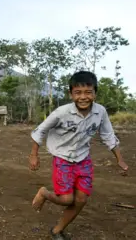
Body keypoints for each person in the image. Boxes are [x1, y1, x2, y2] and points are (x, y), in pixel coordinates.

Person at [29, 71, 129, 240]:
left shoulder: (100, 112)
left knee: (81, 200)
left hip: (83, 159)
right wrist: (34, 154)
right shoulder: (61, 112)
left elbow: (108, 135)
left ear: (95, 93)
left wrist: (120, 159)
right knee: (67, 199)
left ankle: (56, 230)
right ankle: (44, 193)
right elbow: (41, 130)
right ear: (71, 94)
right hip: (62, 158)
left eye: (88, 92)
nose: (83, 97)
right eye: (78, 93)